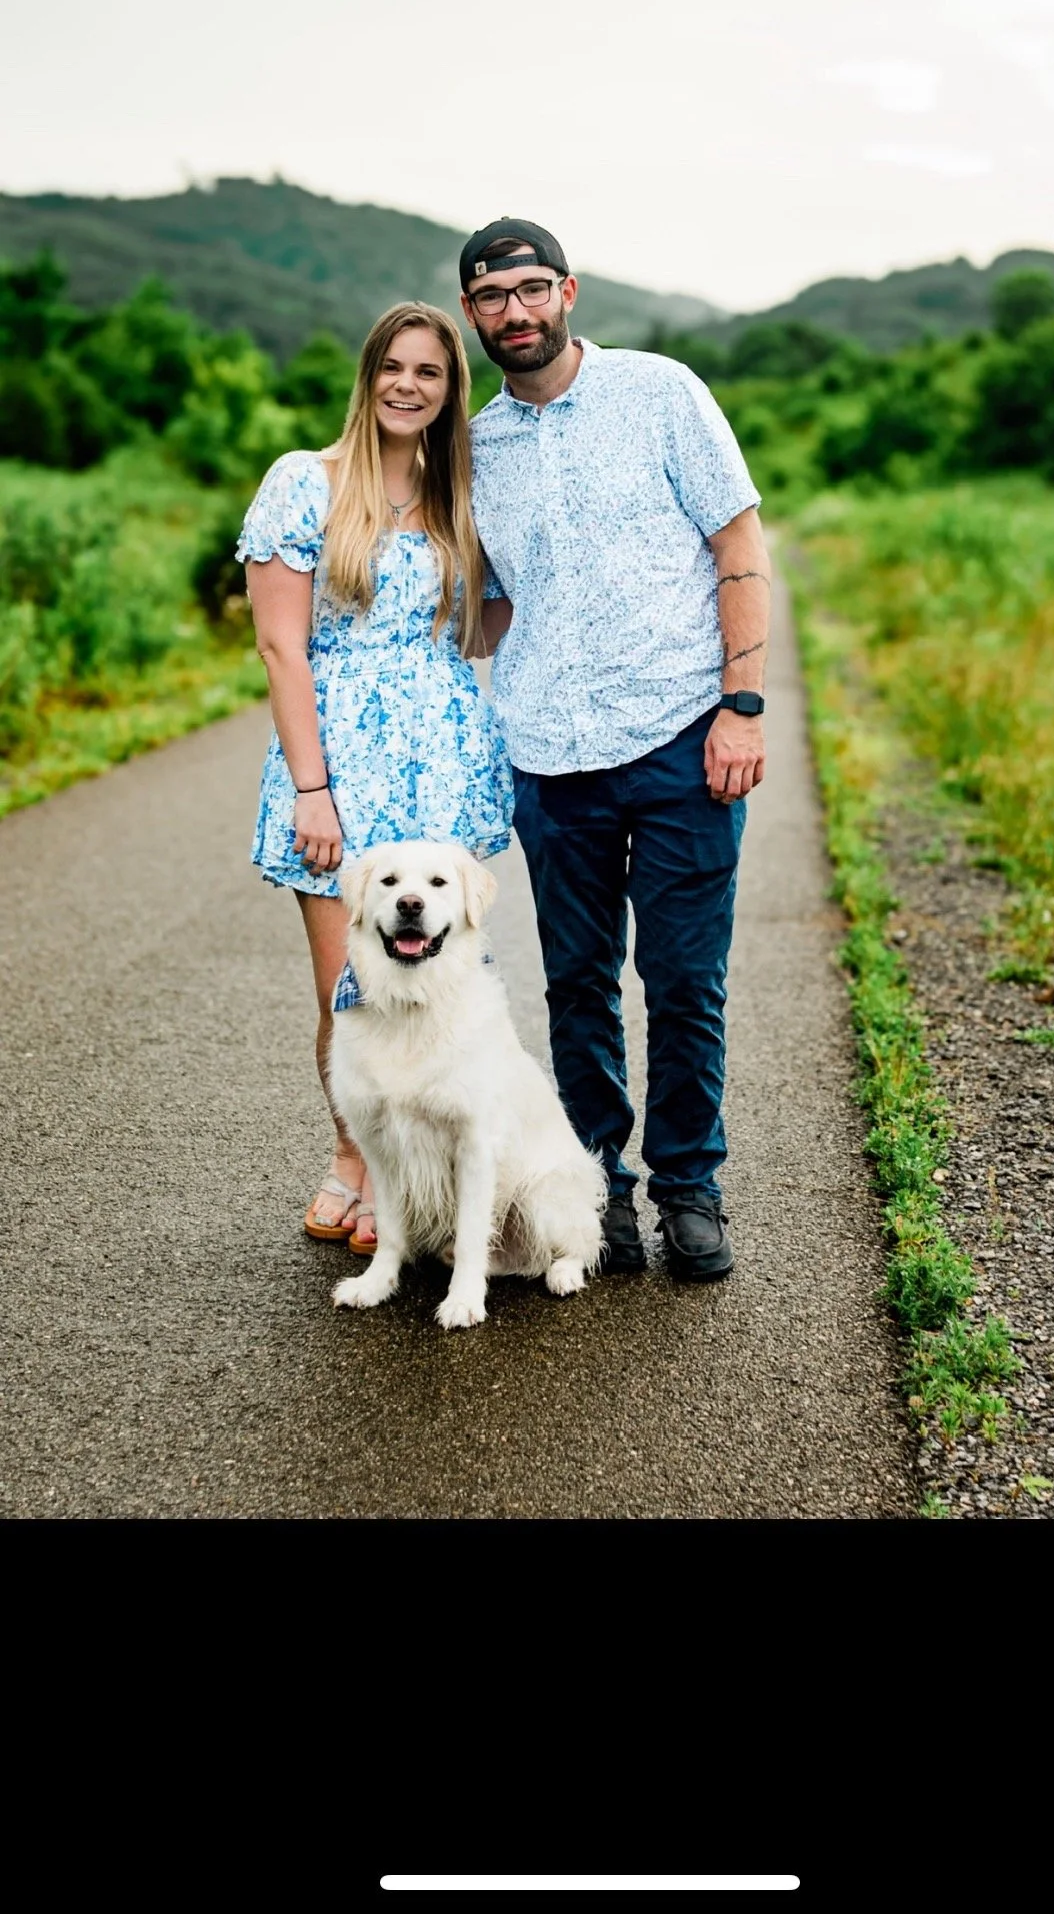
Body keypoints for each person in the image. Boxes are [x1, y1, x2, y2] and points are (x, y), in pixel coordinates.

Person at [461, 219, 770, 1281]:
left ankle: (690, 1183)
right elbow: (490, 610)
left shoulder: (663, 393)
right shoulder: (475, 449)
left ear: (569, 292)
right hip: (550, 757)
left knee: (684, 980)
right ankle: (599, 1186)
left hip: (684, 737)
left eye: (533, 289)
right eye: (494, 297)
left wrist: (744, 704)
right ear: (472, 314)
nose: (517, 311)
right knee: (577, 983)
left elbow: (738, 545)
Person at [237, 302, 512, 1253]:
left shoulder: (456, 499)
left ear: (449, 390)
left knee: (435, 991)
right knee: (348, 992)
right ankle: (354, 1160)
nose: (408, 385)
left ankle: (426, 1187)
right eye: (394, 367)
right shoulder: (302, 484)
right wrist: (313, 790)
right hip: (339, 770)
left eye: (429, 373)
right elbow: (280, 647)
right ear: (369, 375)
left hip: (441, 768)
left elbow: (482, 627)